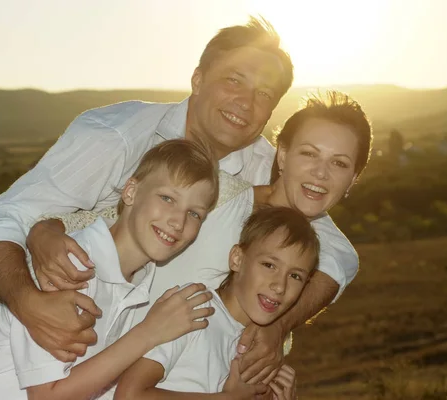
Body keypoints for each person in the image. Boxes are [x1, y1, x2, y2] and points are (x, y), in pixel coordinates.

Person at [34, 90, 372, 387]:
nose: (320, 173)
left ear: (353, 179)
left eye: (339, 164)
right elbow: (109, 217)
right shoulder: (217, 194)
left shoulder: (297, 268)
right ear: (281, 156)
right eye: (309, 154)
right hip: (74, 368)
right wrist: (43, 230)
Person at [0, 140, 220, 399]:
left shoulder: (139, 285)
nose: (178, 221)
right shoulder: (69, 265)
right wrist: (151, 332)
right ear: (131, 192)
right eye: (167, 198)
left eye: (195, 213)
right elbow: (46, 395)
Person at [114, 206, 317, 399]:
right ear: (237, 259)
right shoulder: (194, 311)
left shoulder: (263, 355)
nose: (280, 286)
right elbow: (129, 395)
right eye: (269, 265)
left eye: (295, 276)